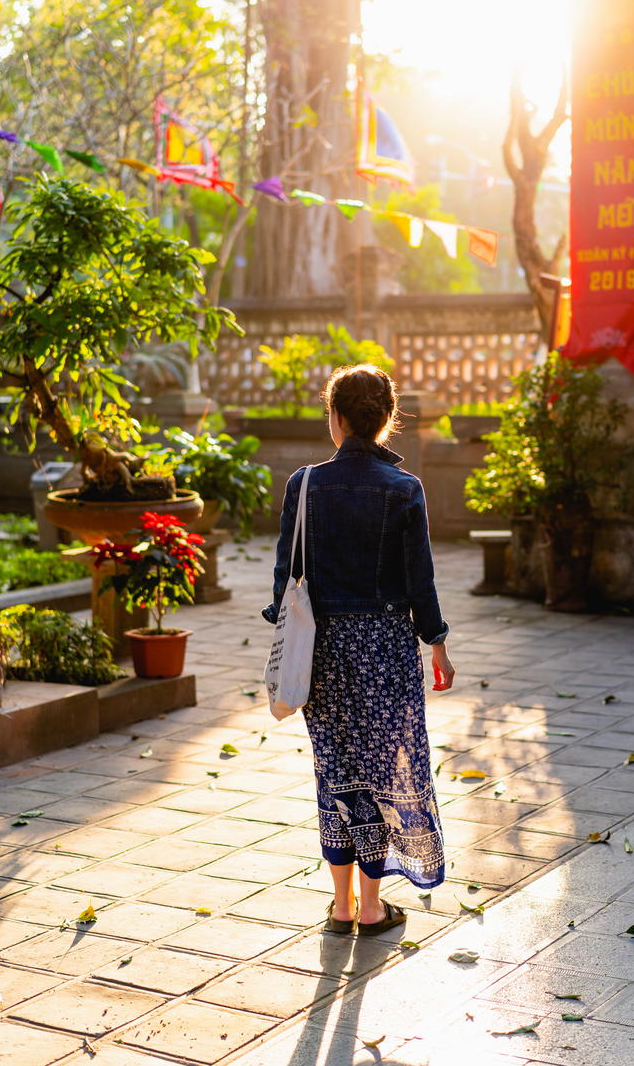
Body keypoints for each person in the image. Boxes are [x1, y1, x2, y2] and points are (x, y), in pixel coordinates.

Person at [263, 363, 455, 936]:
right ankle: (372, 906)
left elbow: (284, 578)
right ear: (387, 421)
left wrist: (285, 633)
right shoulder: (404, 489)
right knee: (382, 770)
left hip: (322, 650)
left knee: (336, 771)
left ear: (337, 418)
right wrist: (438, 644)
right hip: (386, 650)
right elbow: (420, 580)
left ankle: (342, 905)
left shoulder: (304, 485)